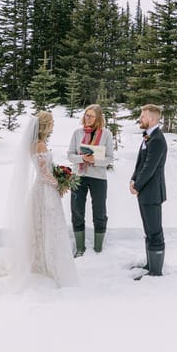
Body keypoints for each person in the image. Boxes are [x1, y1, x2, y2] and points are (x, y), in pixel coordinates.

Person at [4, 110, 78, 287]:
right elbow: (45, 174)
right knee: (49, 224)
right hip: (45, 190)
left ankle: (41, 259)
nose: (53, 124)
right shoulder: (40, 146)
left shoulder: (36, 144)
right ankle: (50, 262)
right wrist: (60, 184)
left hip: (41, 188)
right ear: (45, 124)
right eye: (51, 121)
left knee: (41, 224)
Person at [65, 103, 114, 256]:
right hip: (79, 176)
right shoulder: (77, 133)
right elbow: (70, 155)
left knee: (99, 211)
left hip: (98, 177)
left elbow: (109, 158)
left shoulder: (106, 134)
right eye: (86, 115)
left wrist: (94, 160)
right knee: (77, 210)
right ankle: (80, 248)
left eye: (91, 116)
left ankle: (98, 248)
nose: (87, 118)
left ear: (98, 118)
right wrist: (82, 158)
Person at [129, 104, 168, 278]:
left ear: (152, 119)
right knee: (148, 229)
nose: (140, 118)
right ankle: (150, 263)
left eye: (143, 116)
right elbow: (141, 163)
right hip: (145, 191)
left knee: (155, 231)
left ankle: (156, 271)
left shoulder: (158, 140)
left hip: (152, 192)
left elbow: (150, 167)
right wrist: (133, 179)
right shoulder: (148, 137)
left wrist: (137, 185)